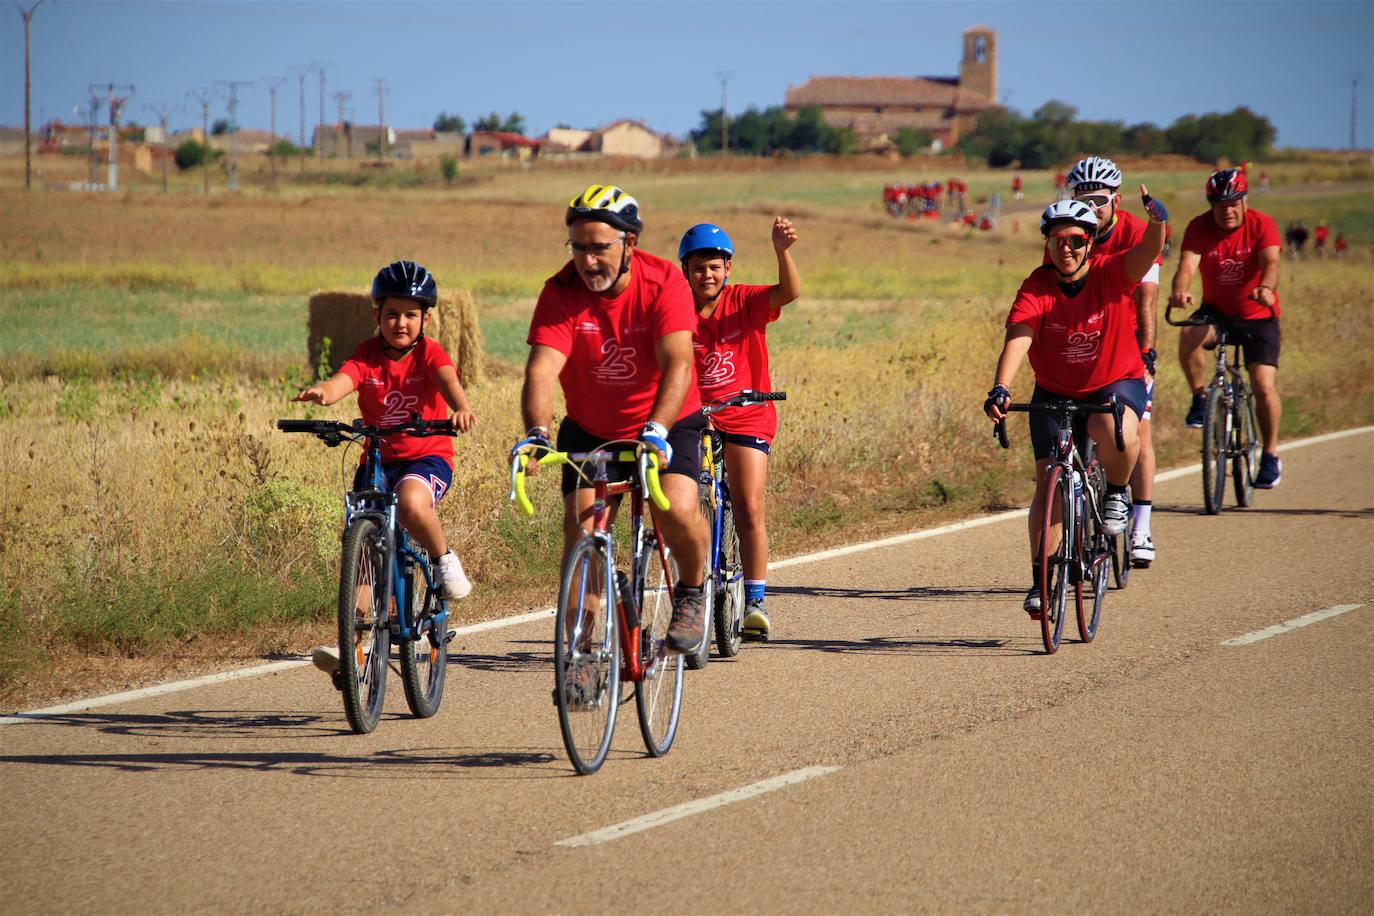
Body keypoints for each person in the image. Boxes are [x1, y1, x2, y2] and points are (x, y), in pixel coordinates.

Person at [517, 184, 711, 654]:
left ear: (630, 243)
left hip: (666, 421)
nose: (587, 261)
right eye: (578, 247)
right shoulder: (561, 292)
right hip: (591, 429)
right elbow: (541, 370)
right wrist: (537, 433)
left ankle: (692, 589)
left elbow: (679, 364)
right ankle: (581, 655)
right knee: (582, 536)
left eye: (599, 248)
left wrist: (657, 430)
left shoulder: (663, 282)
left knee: (676, 508)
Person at [985, 190, 1168, 617]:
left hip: (1114, 382)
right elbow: (1019, 337)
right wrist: (1001, 388)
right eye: (1057, 241)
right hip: (1056, 389)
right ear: (1047, 245)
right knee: (1048, 480)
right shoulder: (1037, 285)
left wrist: (1157, 221)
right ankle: (1040, 580)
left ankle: (1117, 492)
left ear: (1090, 243)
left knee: (1115, 431)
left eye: (1075, 241)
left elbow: (1147, 253)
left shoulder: (1111, 272)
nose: (1065, 249)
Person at [295, 261, 478, 672]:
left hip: (426, 458)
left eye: (411, 314)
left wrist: (461, 408)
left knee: (411, 503)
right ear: (377, 315)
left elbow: (448, 381)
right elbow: (345, 379)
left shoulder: (430, 353)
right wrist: (324, 392)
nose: (401, 323)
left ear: (425, 319)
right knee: (361, 544)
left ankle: (443, 560)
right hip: (378, 459)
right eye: (392, 314)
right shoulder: (367, 354)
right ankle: (352, 646)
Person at [679, 217, 801, 641]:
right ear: (685, 271)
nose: (706, 275)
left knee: (749, 506)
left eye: (714, 267)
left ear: (727, 268)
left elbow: (789, 292)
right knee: (686, 502)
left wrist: (781, 251)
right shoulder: (676, 310)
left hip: (747, 413)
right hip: (697, 415)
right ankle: (692, 589)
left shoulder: (745, 300)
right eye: (698, 268)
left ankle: (754, 602)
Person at [1062, 156, 1161, 566]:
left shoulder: (1134, 232)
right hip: (1085, 338)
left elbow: (1147, 296)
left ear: (1116, 200)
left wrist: (1147, 351)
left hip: (1129, 339)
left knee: (1137, 429)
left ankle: (1141, 526)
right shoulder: (1067, 230)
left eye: (1099, 201)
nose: (1091, 208)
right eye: (1083, 199)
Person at [1170, 168, 1284, 488]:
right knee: (1189, 333)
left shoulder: (1262, 224)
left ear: (1245, 201)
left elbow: (1272, 263)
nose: (1227, 211)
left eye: (1233, 203)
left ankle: (1270, 455)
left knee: (1262, 385)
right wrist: (1180, 291)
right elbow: (1186, 265)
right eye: (1220, 205)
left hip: (1258, 314)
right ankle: (1200, 397)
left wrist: (1266, 288)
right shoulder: (1199, 227)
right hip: (1217, 313)